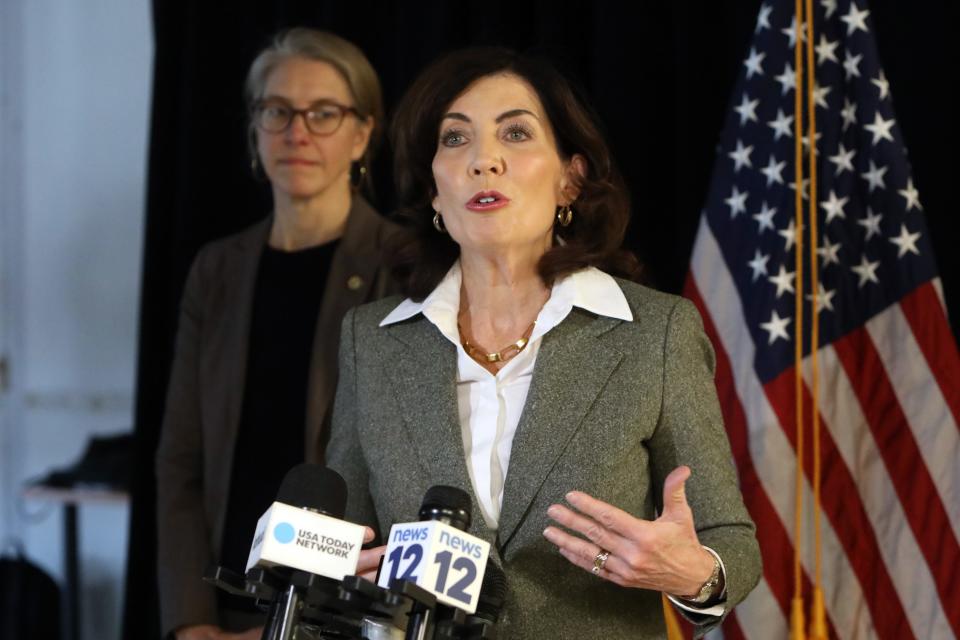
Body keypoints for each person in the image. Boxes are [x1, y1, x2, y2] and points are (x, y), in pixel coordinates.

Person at [326, 47, 761, 638]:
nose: (484, 160)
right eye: (455, 140)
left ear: (570, 179)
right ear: (434, 190)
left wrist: (692, 574)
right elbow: (347, 543)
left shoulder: (656, 334)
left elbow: (729, 543)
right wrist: (333, 575)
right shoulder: (371, 344)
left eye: (516, 133)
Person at [155, 28, 395, 640]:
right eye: (277, 110)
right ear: (254, 130)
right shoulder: (217, 269)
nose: (297, 132)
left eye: (323, 113)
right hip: (219, 600)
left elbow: (390, 468)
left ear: (362, 133)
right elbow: (181, 462)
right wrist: (191, 621)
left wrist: (297, 624)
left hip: (334, 614)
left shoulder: (403, 264)